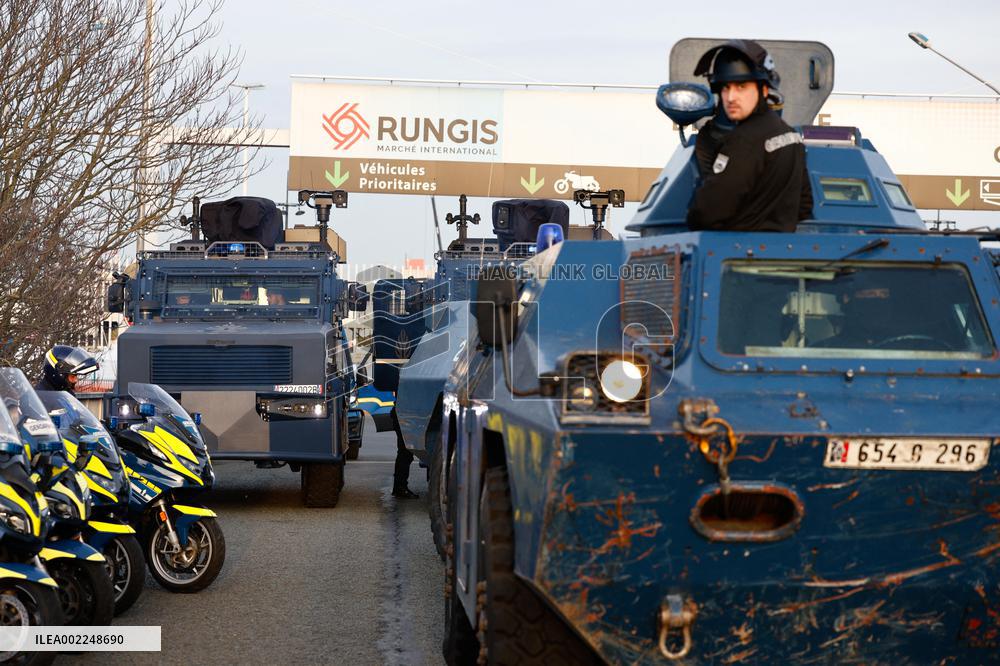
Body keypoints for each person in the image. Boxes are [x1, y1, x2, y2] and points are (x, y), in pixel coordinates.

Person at [686, 39, 812, 232]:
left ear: (763, 89)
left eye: (741, 87)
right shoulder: (792, 136)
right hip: (781, 255)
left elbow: (707, 212)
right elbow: (803, 207)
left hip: (736, 255)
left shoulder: (744, 140)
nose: (731, 97)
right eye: (725, 88)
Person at [390, 409, 417, 499]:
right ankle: (400, 488)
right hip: (405, 418)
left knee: (404, 453)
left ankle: (399, 487)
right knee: (405, 454)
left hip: (403, 417)